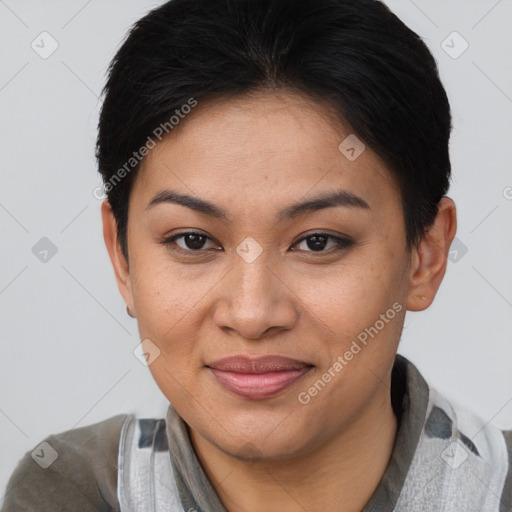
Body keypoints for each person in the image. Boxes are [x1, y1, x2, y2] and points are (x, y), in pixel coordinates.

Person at [3, 0, 511, 510]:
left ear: (425, 254)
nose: (251, 315)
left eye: (318, 241)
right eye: (193, 240)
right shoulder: (69, 492)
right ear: (122, 256)